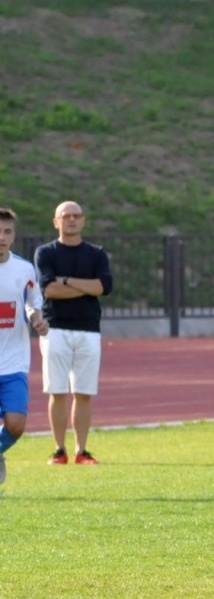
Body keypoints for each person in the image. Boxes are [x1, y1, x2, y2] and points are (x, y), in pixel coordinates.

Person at [34, 201, 113, 465]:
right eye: (65, 216)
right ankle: (59, 449)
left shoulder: (96, 253)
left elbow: (103, 287)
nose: (71, 220)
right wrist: (86, 286)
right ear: (56, 221)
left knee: (84, 392)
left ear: (83, 220)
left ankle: (82, 450)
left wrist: (65, 280)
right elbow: (49, 289)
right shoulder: (45, 253)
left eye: (76, 215)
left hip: (88, 329)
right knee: (57, 391)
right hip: (55, 328)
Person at [0, 208, 49, 490]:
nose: (1, 237)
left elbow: (34, 303)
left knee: (16, 425)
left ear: (14, 236)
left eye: (7, 231)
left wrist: (36, 320)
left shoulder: (24, 269)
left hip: (14, 363)